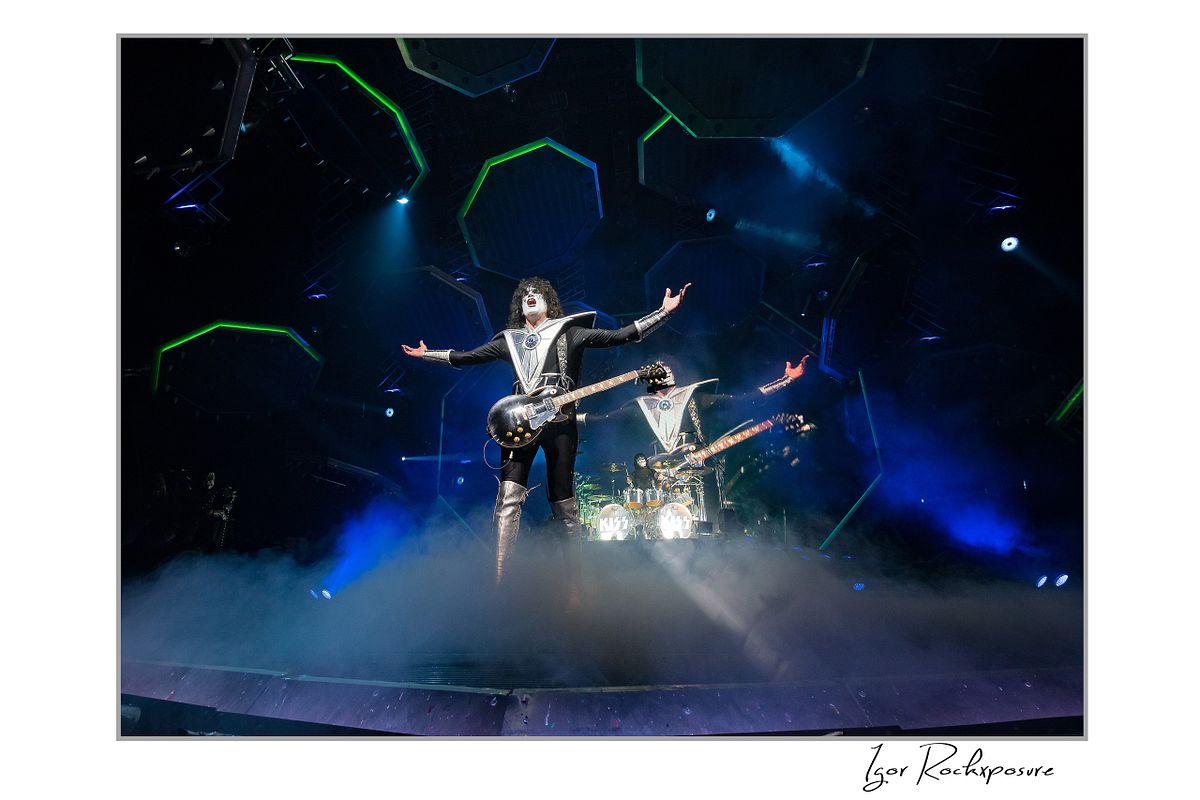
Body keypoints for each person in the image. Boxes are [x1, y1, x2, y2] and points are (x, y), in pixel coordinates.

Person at [403, 277, 690, 604]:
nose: (529, 296)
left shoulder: (571, 331)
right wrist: (429, 355)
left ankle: (575, 587)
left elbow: (619, 336)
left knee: (563, 502)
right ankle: (499, 582)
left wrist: (663, 313)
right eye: (524, 294)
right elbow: (468, 357)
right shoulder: (509, 340)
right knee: (508, 496)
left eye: (536, 292)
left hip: (561, 421)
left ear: (549, 301)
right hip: (518, 421)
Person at [580, 357, 811, 525]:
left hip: (699, 466)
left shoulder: (694, 396)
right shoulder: (641, 405)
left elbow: (742, 400)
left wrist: (785, 380)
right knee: (653, 502)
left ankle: (712, 535)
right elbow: (605, 419)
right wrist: (572, 417)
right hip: (659, 469)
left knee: (708, 512)